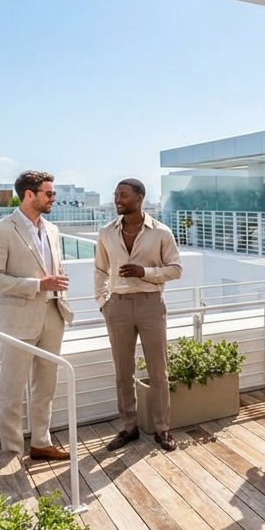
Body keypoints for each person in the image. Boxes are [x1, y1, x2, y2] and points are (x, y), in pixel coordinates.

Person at [0, 170, 75, 460]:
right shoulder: (0, 231)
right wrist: (38, 285)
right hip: (17, 321)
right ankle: (11, 453)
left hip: (53, 315)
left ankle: (41, 443)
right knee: (12, 391)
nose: (53, 198)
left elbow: (54, 269)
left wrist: (56, 287)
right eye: (49, 193)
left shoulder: (53, 229)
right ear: (29, 195)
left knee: (46, 386)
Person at [94, 178, 183, 453]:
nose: (117, 199)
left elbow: (176, 269)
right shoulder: (106, 232)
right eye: (116, 195)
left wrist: (144, 272)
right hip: (117, 306)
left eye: (123, 195)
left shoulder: (161, 232)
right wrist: (103, 303)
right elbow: (99, 270)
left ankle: (162, 429)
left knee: (159, 371)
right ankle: (129, 427)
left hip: (150, 305)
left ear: (140, 197)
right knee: (123, 372)